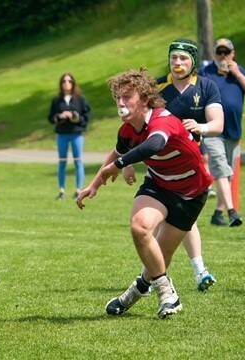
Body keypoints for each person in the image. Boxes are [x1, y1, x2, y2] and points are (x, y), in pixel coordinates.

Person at [77, 69, 212, 319]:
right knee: (140, 227)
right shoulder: (127, 129)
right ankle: (167, 294)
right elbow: (117, 153)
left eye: (127, 97)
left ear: (145, 98)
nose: (120, 103)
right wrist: (94, 184)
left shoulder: (163, 120)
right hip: (158, 185)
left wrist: (116, 166)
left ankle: (135, 292)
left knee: (161, 254)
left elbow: (154, 144)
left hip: (191, 193)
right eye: (118, 97)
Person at [156, 39, 223, 291]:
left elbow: (218, 124)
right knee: (162, 220)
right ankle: (191, 272)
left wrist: (200, 127)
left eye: (183, 58)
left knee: (182, 218)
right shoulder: (157, 87)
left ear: (193, 61)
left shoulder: (206, 87)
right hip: (161, 166)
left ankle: (161, 276)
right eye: (173, 58)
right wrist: (128, 162)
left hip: (191, 166)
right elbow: (137, 125)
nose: (177, 63)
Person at [199, 38, 245, 226]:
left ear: (233, 54)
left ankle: (217, 214)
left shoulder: (239, 71)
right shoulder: (205, 72)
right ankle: (233, 212)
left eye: (227, 52)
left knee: (228, 174)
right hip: (212, 130)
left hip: (234, 131)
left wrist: (237, 74)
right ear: (215, 54)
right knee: (221, 170)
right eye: (220, 52)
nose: (223, 56)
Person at [48, 73, 91, 200]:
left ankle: (79, 190)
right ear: (61, 84)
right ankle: (61, 191)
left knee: (78, 161)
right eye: (64, 81)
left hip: (76, 134)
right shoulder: (56, 101)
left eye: (69, 81)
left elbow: (86, 116)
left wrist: (74, 116)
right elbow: (51, 117)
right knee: (62, 162)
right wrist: (59, 116)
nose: (67, 83)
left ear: (73, 83)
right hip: (62, 134)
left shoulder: (80, 99)